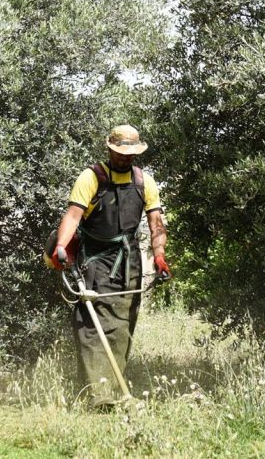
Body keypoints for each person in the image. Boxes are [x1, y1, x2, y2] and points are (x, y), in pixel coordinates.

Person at [51, 124, 170, 408]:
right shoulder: (92, 177)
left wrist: (160, 256)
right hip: (95, 257)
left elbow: (156, 224)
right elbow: (73, 216)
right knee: (93, 326)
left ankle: (113, 390)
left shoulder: (144, 181)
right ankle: (97, 397)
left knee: (122, 325)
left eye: (130, 153)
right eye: (120, 152)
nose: (125, 158)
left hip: (128, 260)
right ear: (109, 149)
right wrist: (60, 246)